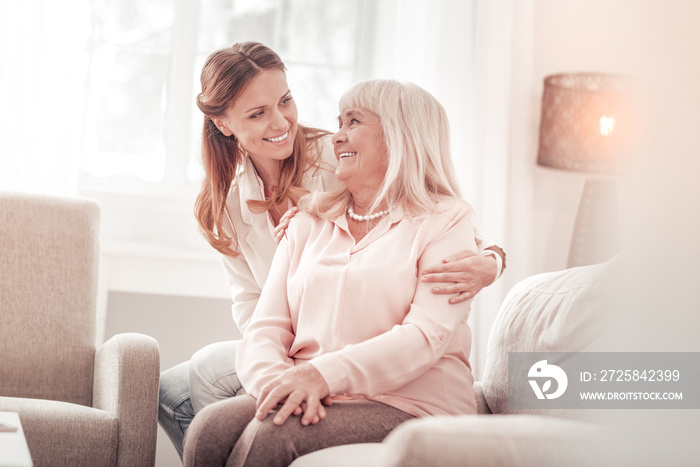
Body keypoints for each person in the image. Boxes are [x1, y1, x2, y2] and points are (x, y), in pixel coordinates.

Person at [158, 42, 505, 459]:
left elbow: (441, 219)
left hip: (396, 390)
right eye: (257, 113)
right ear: (224, 124)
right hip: (307, 352)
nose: (281, 121)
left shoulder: (338, 158)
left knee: (251, 413)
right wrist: (284, 379)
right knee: (200, 419)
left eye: (285, 101)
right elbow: (257, 313)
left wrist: (493, 261)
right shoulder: (283, 215)